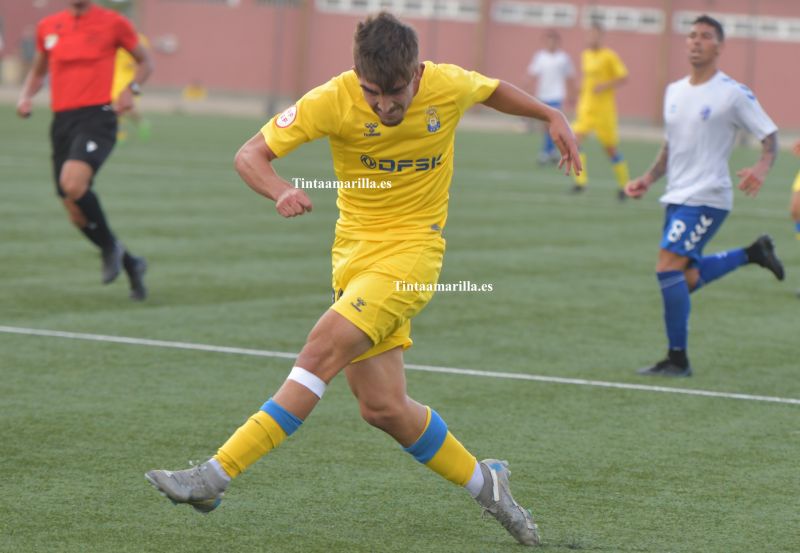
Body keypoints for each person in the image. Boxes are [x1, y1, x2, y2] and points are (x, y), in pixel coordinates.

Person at [145, 12, 580, 546]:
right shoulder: (333, 98)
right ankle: (488, 485)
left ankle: (214, 475)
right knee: (383, 408)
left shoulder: (446, 84)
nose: (384, 105)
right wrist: (279, 189)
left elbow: (492, 91)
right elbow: (249, 155)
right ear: (357, 76)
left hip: (413, 256)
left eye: (395, 93)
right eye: (373, 93)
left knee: (319, 351)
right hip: (352, 260)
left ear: (417, 74)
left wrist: (548, 113)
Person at [625, 14, 784, 377]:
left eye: (705, 36)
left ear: (719, 46)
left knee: (666, 268)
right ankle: (752, 253)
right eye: (692, 35)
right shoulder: (674, 91)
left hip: (708, 197)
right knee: (685, 278)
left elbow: (769, 135)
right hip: (676, 196)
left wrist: (762, 166)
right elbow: (672, 145)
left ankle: (677, 359)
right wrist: (648, 179)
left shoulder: (732, 93)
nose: (695, 41)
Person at [16, 0, 153, 301]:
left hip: (98, 116)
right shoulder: (48, 27)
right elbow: (39, 72)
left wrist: (131, 90)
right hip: (62, 121)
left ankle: (109, 248)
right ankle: (132, 264)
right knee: (75, 212)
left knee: (72, 183)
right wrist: (25, 96)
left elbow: (146, 63)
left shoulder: (113, 23)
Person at [571, 22, 630, 199]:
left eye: (595, 35)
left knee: (610, 149)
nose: (591, 38)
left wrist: (604, 85)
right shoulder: (585, 55)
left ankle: (624, 186)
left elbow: (623, 76)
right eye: (589, 34)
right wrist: (579, 93)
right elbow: (586, 80)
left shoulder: (609, 56)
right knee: (574, 141)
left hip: (604, 111)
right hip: (586, 108)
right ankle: (581, 183)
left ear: (601, 36)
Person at [525, 29, 576, 165]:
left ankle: (545, 152)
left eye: (553, 40)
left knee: (551, 123)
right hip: (543, 95)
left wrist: (572, 95)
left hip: (556, 95)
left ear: (558, 42)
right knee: (545, 126)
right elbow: (533, 74)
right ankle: (552, 151)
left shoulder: (563, 58)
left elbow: (570, 77)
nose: (551, 43)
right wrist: (527, 89)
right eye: (548, 40)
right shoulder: (540, 56)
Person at [111, 33, 152, 143]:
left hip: (132, 78)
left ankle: (142, 123)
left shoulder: (141, 39)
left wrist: (134, 64)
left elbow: (144, 58)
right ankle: (119, 133)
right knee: (114, 104)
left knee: (130, 108)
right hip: (116, 76)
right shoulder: (115, 35)